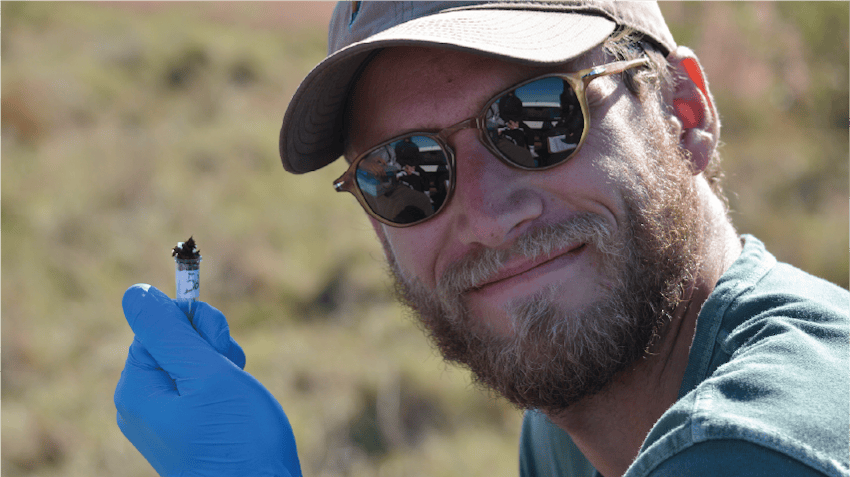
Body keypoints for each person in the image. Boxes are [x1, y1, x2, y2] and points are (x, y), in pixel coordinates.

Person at [114, 2, 850, 477]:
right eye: (405, 170)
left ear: (682, 111)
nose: (491, 216)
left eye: (537, 118)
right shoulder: (570, 427)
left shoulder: (756, 445)